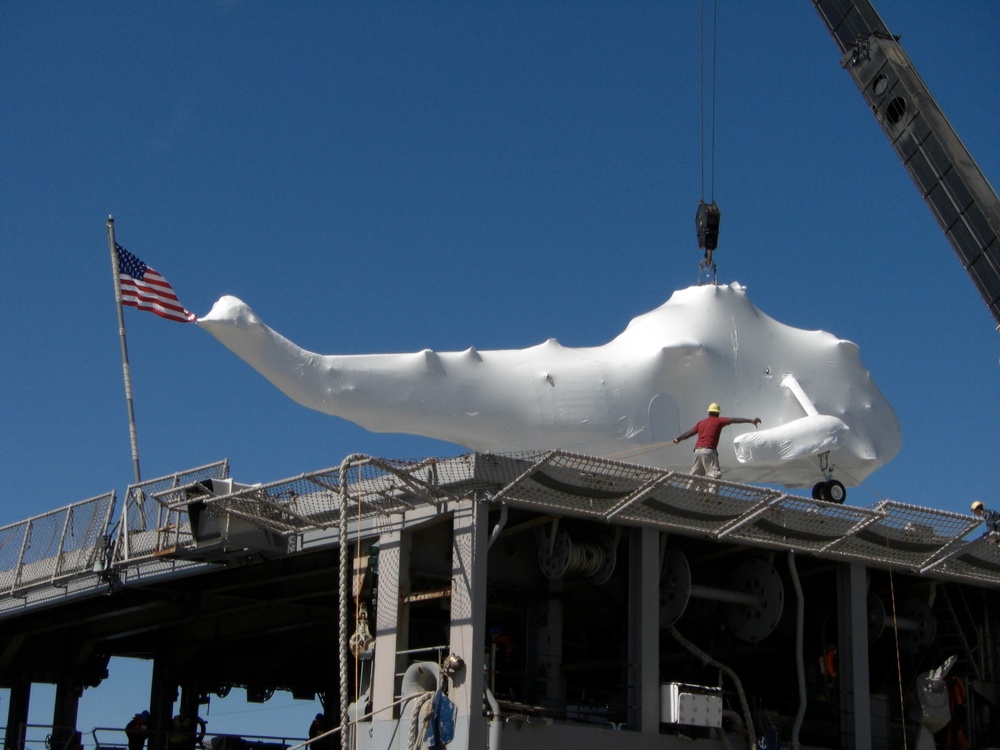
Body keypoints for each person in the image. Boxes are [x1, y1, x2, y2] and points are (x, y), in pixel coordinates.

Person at [673, 402, 761, 481]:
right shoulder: (718, 421)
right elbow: (733, 420)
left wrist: (678, 439)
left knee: (695, 476)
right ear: (718, 412)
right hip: (708, 451)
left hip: (697, 451)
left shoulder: (701, 423)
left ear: (709, 412)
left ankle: (690, 493)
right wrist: (751, 421)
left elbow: (689, 433)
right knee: (714, 476)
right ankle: (711, 496)